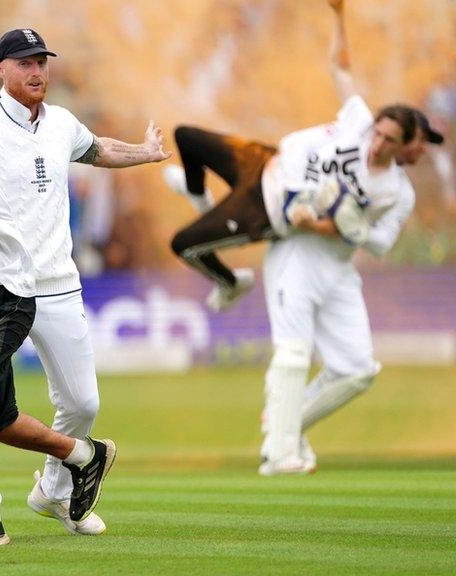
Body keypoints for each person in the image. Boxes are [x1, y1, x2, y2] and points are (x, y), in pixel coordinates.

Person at [0, 28, 169, 536]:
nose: (37, 71)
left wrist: (146, 153)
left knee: (83, 402)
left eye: (42, 62)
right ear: (0, 68)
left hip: (58, 282)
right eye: (24, 62)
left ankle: (54, 489)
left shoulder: (62, 123)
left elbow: (100, 149)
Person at [164, 0, 437, 473]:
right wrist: (338, 17)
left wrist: (343, 225)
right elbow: (342, 67)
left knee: (356, 370)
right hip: (292, 250)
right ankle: (280, 454)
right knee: (292, 349)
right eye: (379, 132)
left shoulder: (394, 190)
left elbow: (378, 242)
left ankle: (284, 423)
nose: (377, 143)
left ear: (404, 146)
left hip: (335, 263)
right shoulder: (357, 123)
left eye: (390, 141)